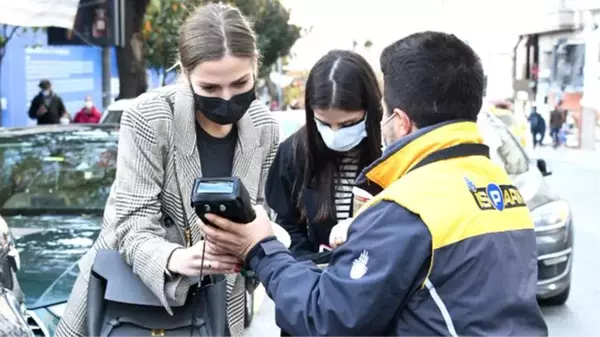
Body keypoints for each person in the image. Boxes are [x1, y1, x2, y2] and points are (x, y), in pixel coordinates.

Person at [201, 31, 548, 337]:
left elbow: (327, 317)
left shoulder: (410, 207)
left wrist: (260, 247)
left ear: (399, 120)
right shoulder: (502, 189)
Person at [55, 4, 280, 337]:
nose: (228, 98)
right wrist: (177, 258)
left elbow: (263, 213)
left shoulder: (265, 127)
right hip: (130, 307)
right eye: (211, 88)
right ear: (184, 73)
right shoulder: (149, 117)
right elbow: (130, 224)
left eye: (240, 83)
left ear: (255, 65)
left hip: (221, 305)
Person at [266, 50, 383, 337]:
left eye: (347, 124)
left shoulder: (390, 155)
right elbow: (286, 228)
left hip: (377, 299)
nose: (335, 133)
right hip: (313, 298)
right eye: (324, 123)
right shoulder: (294, 153)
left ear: (370, 111)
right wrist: (313, 264)